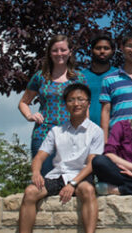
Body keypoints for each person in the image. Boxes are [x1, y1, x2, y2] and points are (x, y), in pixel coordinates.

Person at [6, 83, 103, 233]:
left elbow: (92, 164)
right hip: (57, 176)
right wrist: (36, 172)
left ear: (88, 103)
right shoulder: (56, 131)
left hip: (81, 176)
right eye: (71, 100)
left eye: (80, 99)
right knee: (30, 192)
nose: (76, 103)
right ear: (65, 104)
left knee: (88, 191)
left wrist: (73, 184)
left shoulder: (96, 131)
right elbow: (39, 158)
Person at [19, 34, 88, 175]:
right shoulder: (40, 76)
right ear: (49, 53)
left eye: (63, 50)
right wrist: (30, 116)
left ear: (70, 52)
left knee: (68, 182)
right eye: (55, 50)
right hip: (43, 134)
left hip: (71, 135)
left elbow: (85, 108)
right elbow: (23, 102)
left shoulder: (78, 78)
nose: (59, 54)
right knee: (44, 181)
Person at [81, 31, 114, 126]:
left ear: (112, 51)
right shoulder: (80, 77)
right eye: (98, 48)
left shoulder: (119, 76)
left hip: (113, 131)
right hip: (84, 130)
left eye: (106, 48)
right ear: (91, 50)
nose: (102, 51)